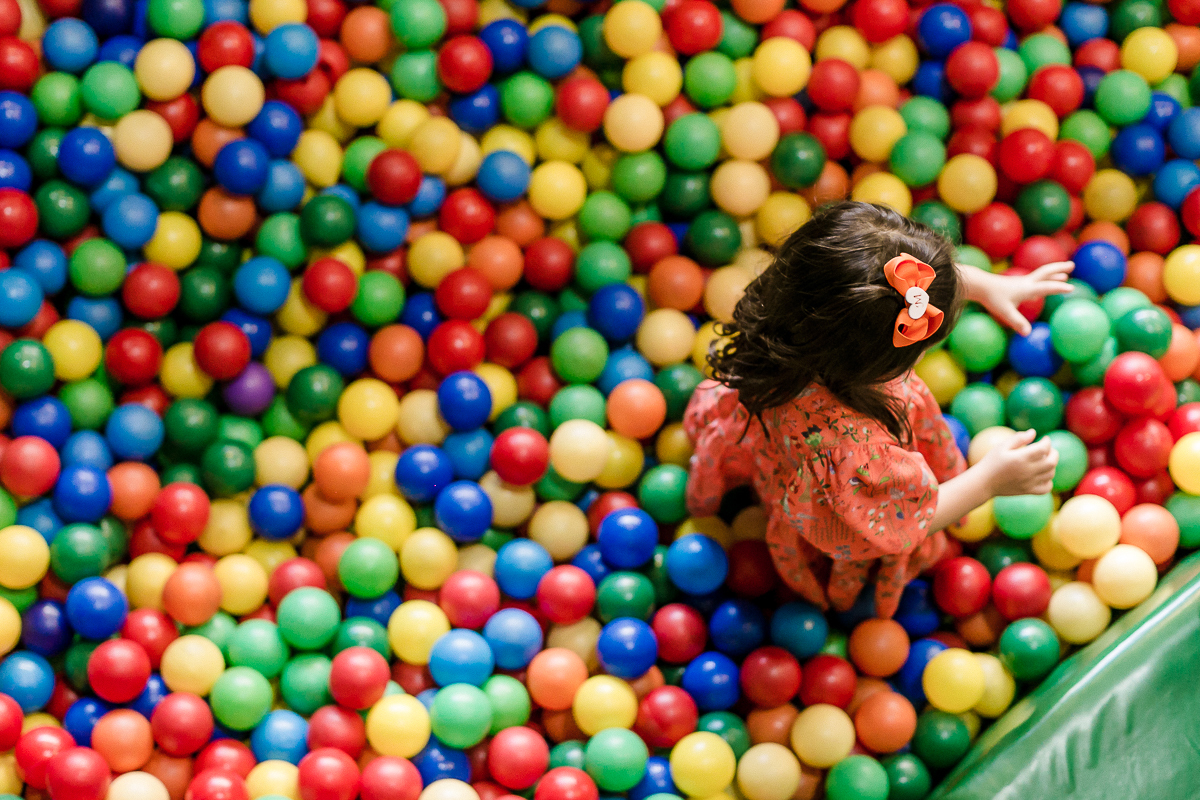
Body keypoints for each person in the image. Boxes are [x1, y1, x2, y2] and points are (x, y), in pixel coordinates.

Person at [684, 201, 1073, 617]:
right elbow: (903, 518)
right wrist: (989, 481)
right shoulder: (858, 451)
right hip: (850, 509)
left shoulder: (793, 311)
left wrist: (987, 285)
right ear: (881, 364)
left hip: (772, 440)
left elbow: (899, 287)